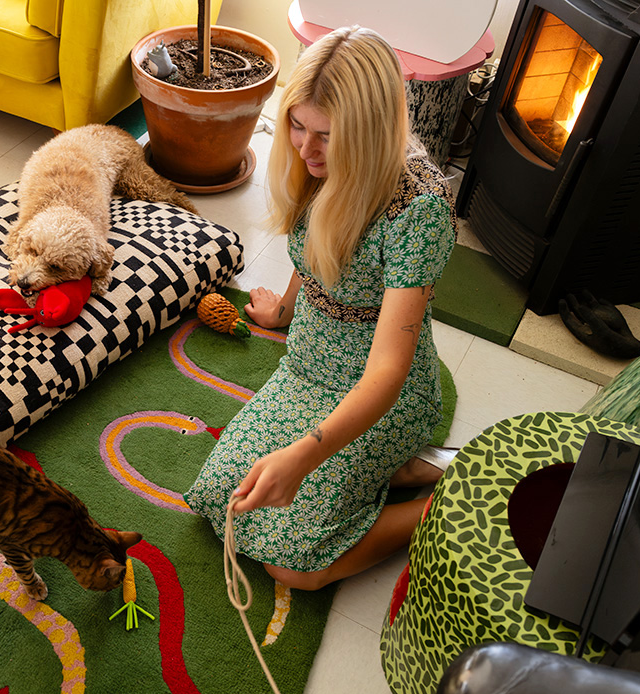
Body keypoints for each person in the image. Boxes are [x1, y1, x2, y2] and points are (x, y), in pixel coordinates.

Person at [184, 26, 456, 591]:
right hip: (307, 369)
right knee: (221, 496)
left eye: (326, 136)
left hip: (381, 393)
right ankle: (399, 468)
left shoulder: (419, 213)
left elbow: (387, 373)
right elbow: (316, 247)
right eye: (297, 126)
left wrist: (304, 456)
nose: (305, 149)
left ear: (370, 134)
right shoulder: (315, 164)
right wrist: (283, 312)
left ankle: (433, 509)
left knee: (294, 566)